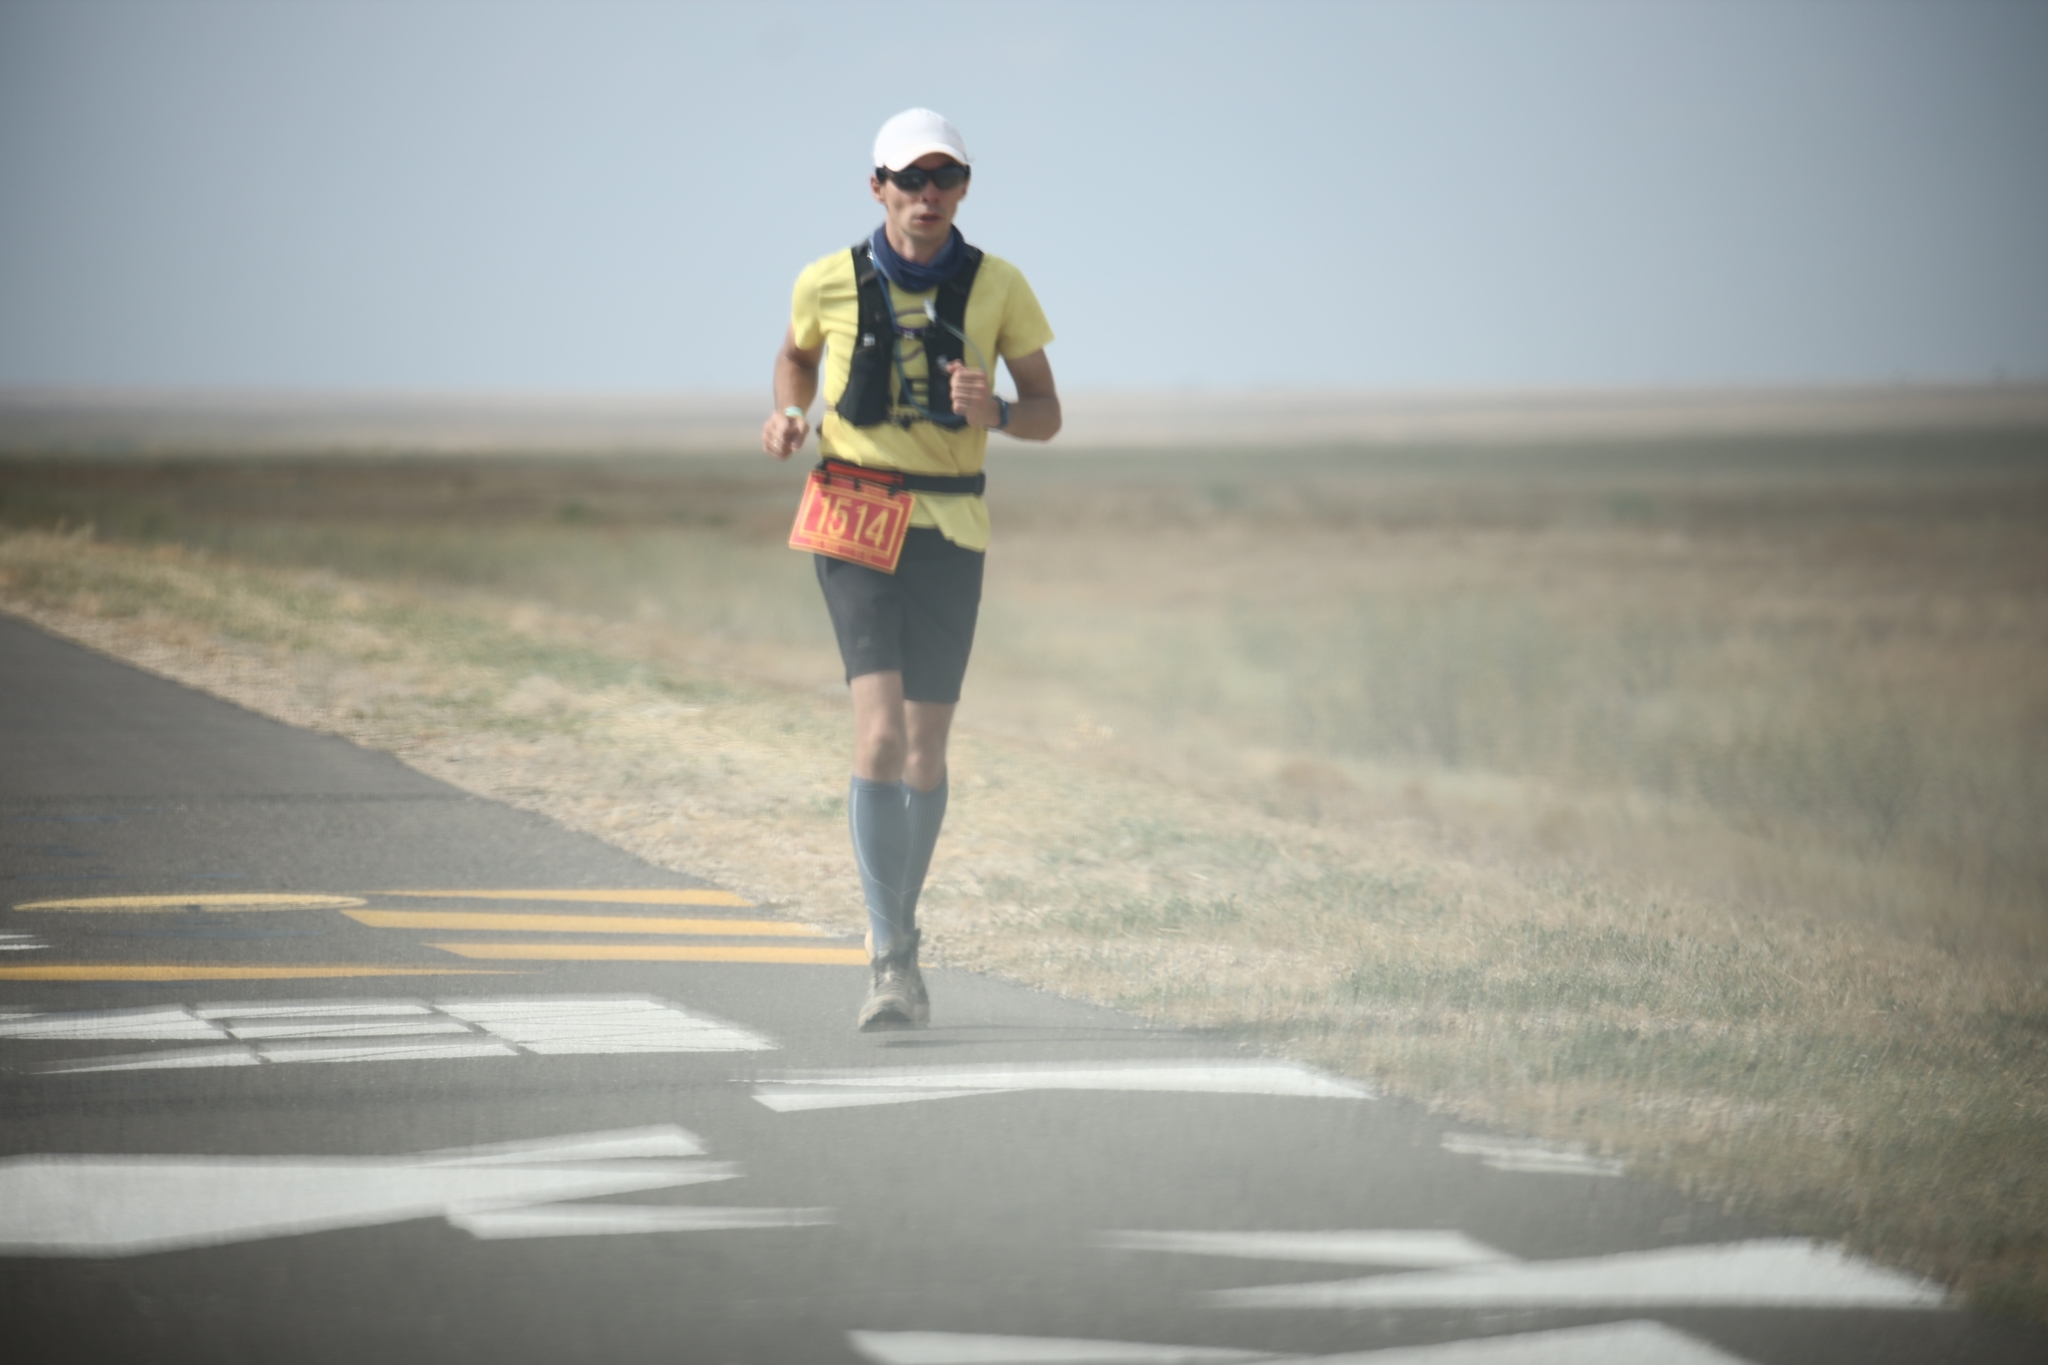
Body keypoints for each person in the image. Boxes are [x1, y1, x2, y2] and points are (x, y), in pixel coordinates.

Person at [762, 108, 1060, 1030]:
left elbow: (1047, 412)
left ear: (963, 188)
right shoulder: (827, 280)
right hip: (853, 513)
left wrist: (999, 411)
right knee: (881, 737)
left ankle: (901, 929)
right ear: (877, 187)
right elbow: (794, 358)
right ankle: (889, 957)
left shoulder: (1000, 286)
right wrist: (786, 415)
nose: (926, 195)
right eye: (909, 179)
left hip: (951, 527)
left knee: (927, 755)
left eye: (944, 178)